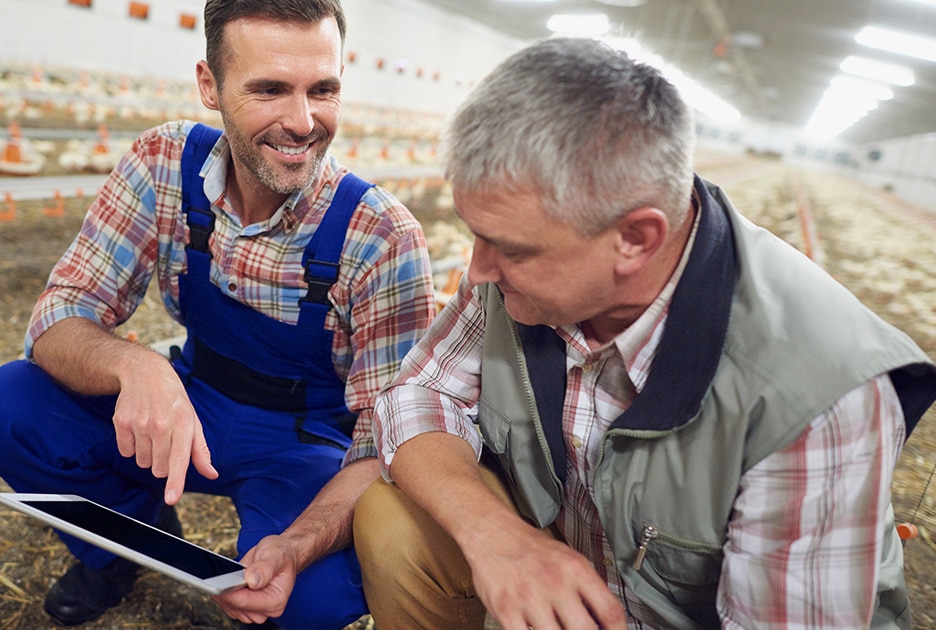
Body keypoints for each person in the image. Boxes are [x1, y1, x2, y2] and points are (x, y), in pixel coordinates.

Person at [353, 36, 936, 630]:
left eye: (510, 248)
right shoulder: (516, 285)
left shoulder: (814, 389)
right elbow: (419, 393)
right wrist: (493, 534)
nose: (477, 270)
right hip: (574, 582)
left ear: (635, 239)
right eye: (475, 233)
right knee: (396, 521)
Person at [0, 1, 435, 627]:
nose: (302, 121)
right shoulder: (164, 165)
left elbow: (391, 445)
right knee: (7, 409)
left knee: (308, 597)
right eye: (269, 89)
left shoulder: (381, 236)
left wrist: (299, 543)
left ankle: (276, 557)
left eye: (323, 90)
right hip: (193, 398)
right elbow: (60, 315)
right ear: (209, 86)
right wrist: (135, 367)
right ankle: (119, 547)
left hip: (305, 441)